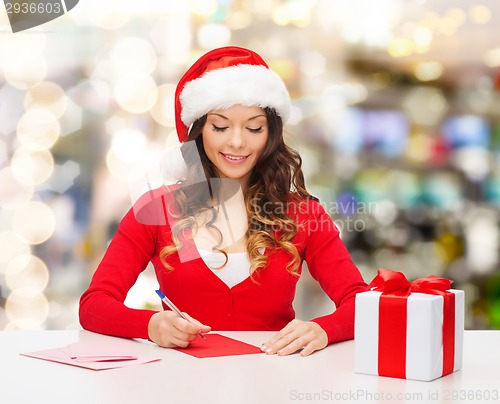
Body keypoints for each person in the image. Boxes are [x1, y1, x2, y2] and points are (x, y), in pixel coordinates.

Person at [79, 46, 367, 357]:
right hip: (180, 386)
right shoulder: (159, 209)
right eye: (220, 127)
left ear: (270, 134)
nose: (237, 142)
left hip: (273, 383)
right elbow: (94, 305)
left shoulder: (303, 213)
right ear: (200, 131)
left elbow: (362, 304)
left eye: (254, 128)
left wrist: (323, 328)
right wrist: (150, 325)